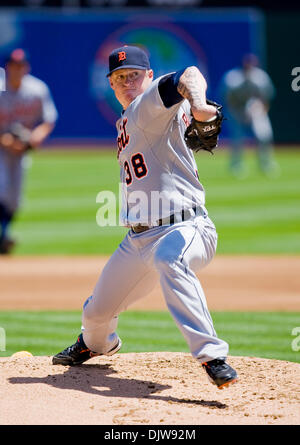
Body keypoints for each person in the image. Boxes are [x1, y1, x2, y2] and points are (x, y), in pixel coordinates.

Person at [52, 45, 238, 389]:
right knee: (95, 316)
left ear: (149, 77)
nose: (127, 82)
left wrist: (197, 103)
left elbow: (189, 75)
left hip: (186, 226)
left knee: (171, 260)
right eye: (119, 77)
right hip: (138, 239)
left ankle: (212, 355)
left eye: (134, 75)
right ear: (110, 85)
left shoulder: (148, 103)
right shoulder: (129, 118)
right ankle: (97, 346)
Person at [0, 48, 58, 254]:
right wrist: (4, 140)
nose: (17, 69)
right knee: (1, 187)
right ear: (7, 67)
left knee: (14, 199)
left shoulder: (37, 89)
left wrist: (36, 136)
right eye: (13, 66)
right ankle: (2, 235)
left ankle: (3, 234)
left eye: (21, 66)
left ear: (27, 67)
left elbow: (49, 119)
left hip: (22, 149)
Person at [220, 53, 278, 177]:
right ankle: (236, 165)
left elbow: (266, 98)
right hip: (237, 109)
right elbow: (228, 99)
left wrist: (260, 111)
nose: (249, 67)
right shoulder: (233, 78)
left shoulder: (261, 77)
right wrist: (239, 115)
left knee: (264, 135)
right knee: (237, 138)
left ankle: (265, 164)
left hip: (255, 107)